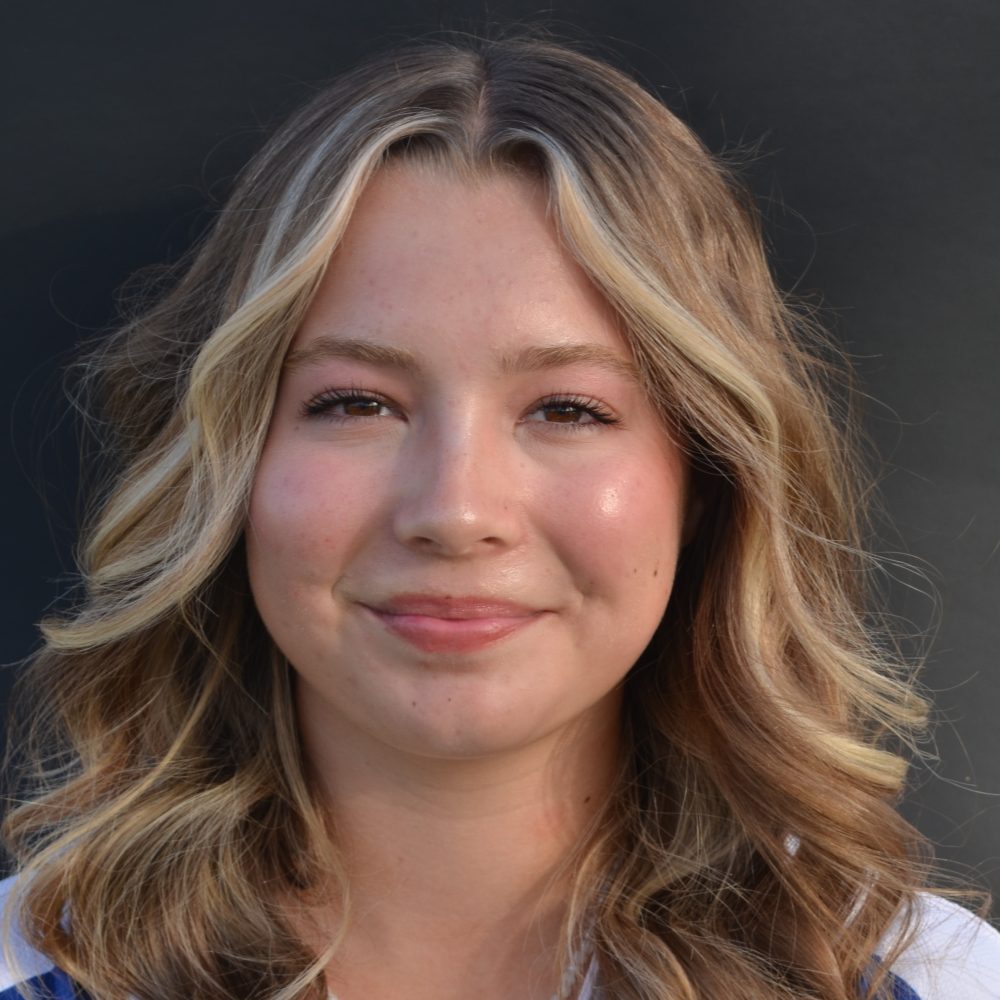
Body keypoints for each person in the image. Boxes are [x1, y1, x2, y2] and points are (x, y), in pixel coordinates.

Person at [1, 33, 997, 1000]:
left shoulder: (937, 983)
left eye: (567, 409)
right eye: (356, 403)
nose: (456, 510)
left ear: (704, 478)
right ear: (230, 461)